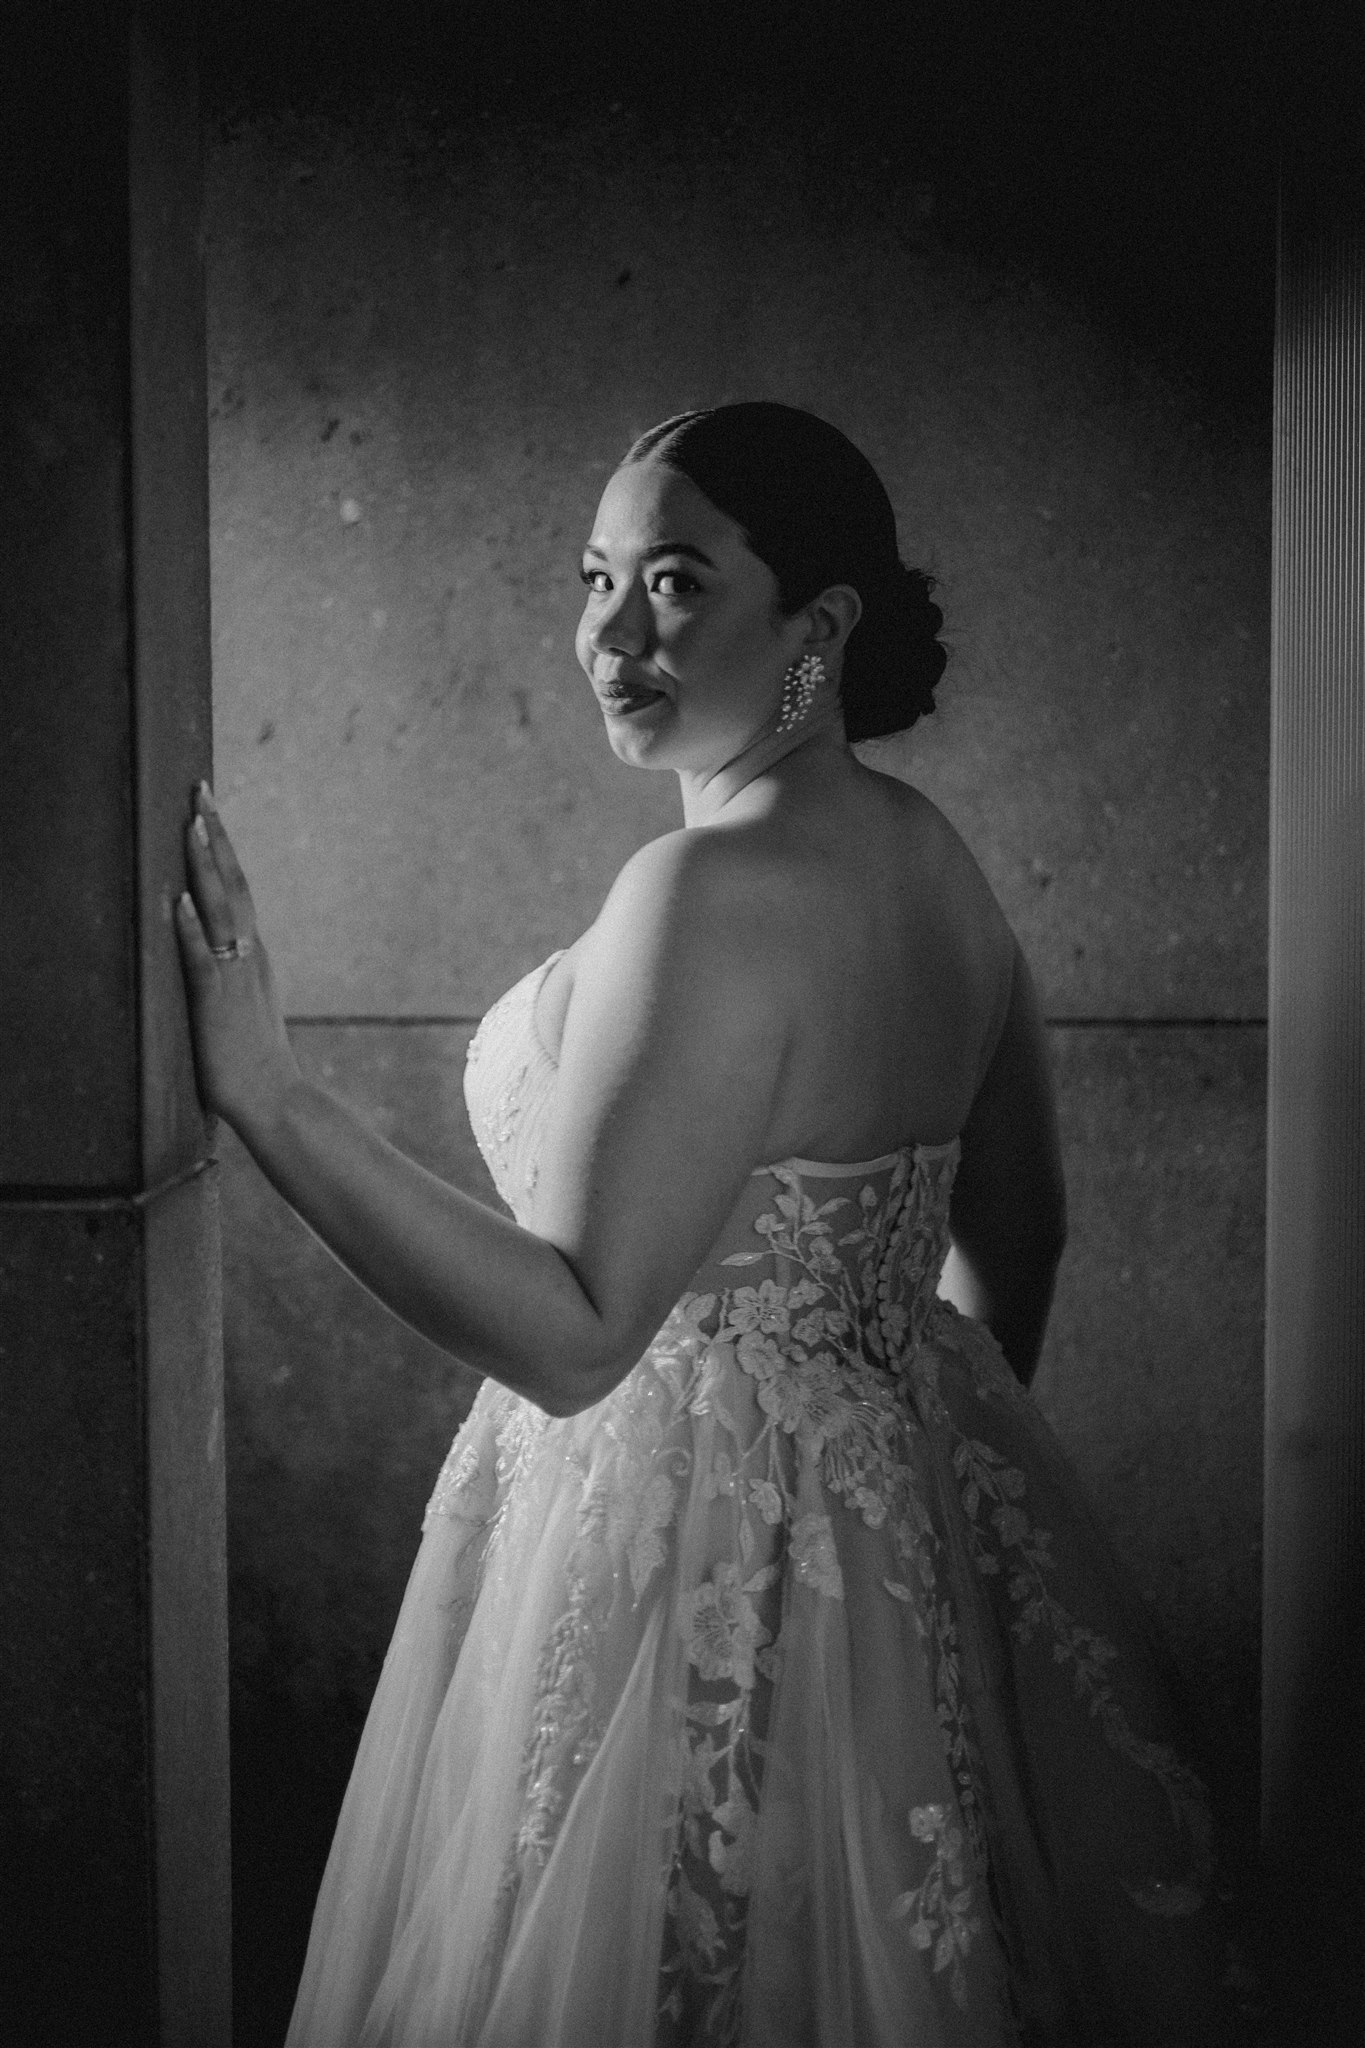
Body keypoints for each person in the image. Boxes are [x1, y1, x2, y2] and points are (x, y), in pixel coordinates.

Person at [178, 403, 1239, 2046]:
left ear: (816, 628)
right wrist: (892, 1477)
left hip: (663, 1569)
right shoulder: (937, 866)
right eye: (596, 577)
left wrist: (271, 1100)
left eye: (675, 583)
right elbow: (1018, 1234)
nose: (611, 633)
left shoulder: (701, 893)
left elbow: (576, 1333)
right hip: (885, 1569)